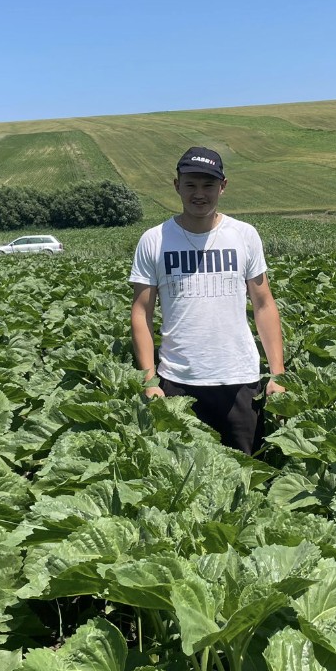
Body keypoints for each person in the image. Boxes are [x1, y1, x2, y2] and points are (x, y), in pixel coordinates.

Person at [129, 146, 285, 454]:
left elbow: (264, 305)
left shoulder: (244, 235)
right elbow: (141, 312)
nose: (199, 194)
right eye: (190, 185)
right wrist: (149, 379)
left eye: (208, 185)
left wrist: (277, 374)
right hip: (178, 381)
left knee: (247, 471)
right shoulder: (155, 240)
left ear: (222, 186)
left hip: (239, 379)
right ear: (177, 186)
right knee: (181, 472)